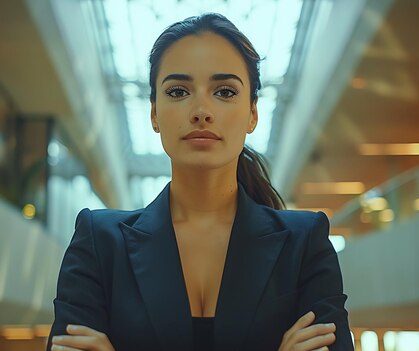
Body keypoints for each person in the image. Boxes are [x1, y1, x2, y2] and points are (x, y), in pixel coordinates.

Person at [47, 13, 353, 351]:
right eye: (178, 91)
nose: (201, 111)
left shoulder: (304, 242)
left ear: (253, 113)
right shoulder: (99, 242)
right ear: (153, 113)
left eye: (224, 91)